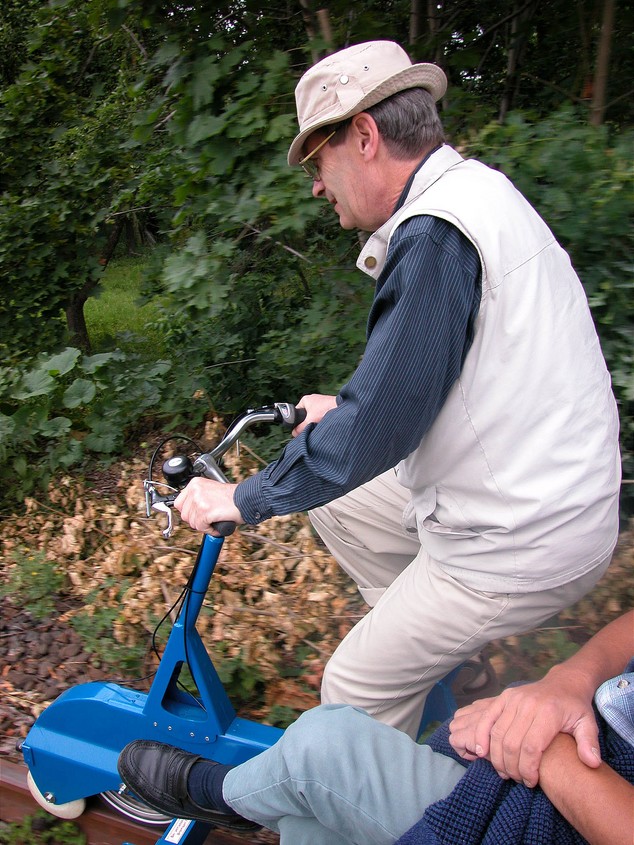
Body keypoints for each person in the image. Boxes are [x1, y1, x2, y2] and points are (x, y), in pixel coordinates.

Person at [173, 40, 621, 738]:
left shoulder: (436, 233)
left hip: (521, 535)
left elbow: (381, 423)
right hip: (543, 496)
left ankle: (417, 786)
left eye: (317, 163)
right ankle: (448, 671)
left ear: (364, 136)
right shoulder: (477, 193)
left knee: (354, 687)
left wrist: (242, 498)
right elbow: (457, 376)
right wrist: (343, 412)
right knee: (339, 501)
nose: (316, 187)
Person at [118, 610, 634, 845]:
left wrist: (541, 744)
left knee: (327, 744)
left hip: (565, 808)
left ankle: (223, 798)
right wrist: (568, 679)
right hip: (580, 755)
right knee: (312, 826)